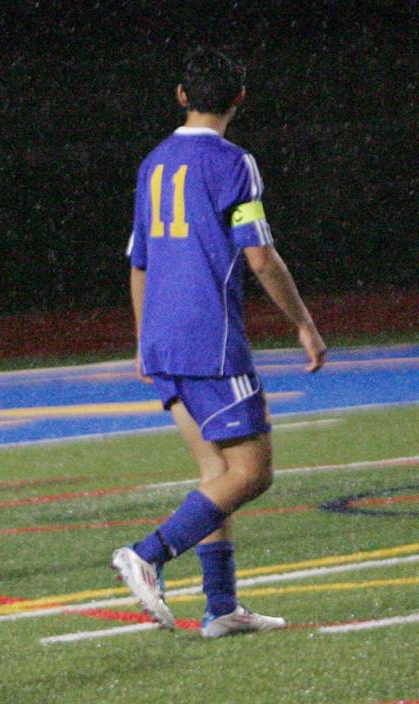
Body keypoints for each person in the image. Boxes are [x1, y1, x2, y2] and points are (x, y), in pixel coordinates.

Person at [111, 48, 327, 638]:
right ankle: (148, 554)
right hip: (211, 340)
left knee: (215, 473)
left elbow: (141, 261)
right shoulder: (235, 163)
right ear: (240, 99)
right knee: (253, 473)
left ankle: (221, 607)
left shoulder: (153, 163)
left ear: (182, 95)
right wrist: (303, 322)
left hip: (163, 339)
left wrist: (142, 339)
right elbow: (259, 254)